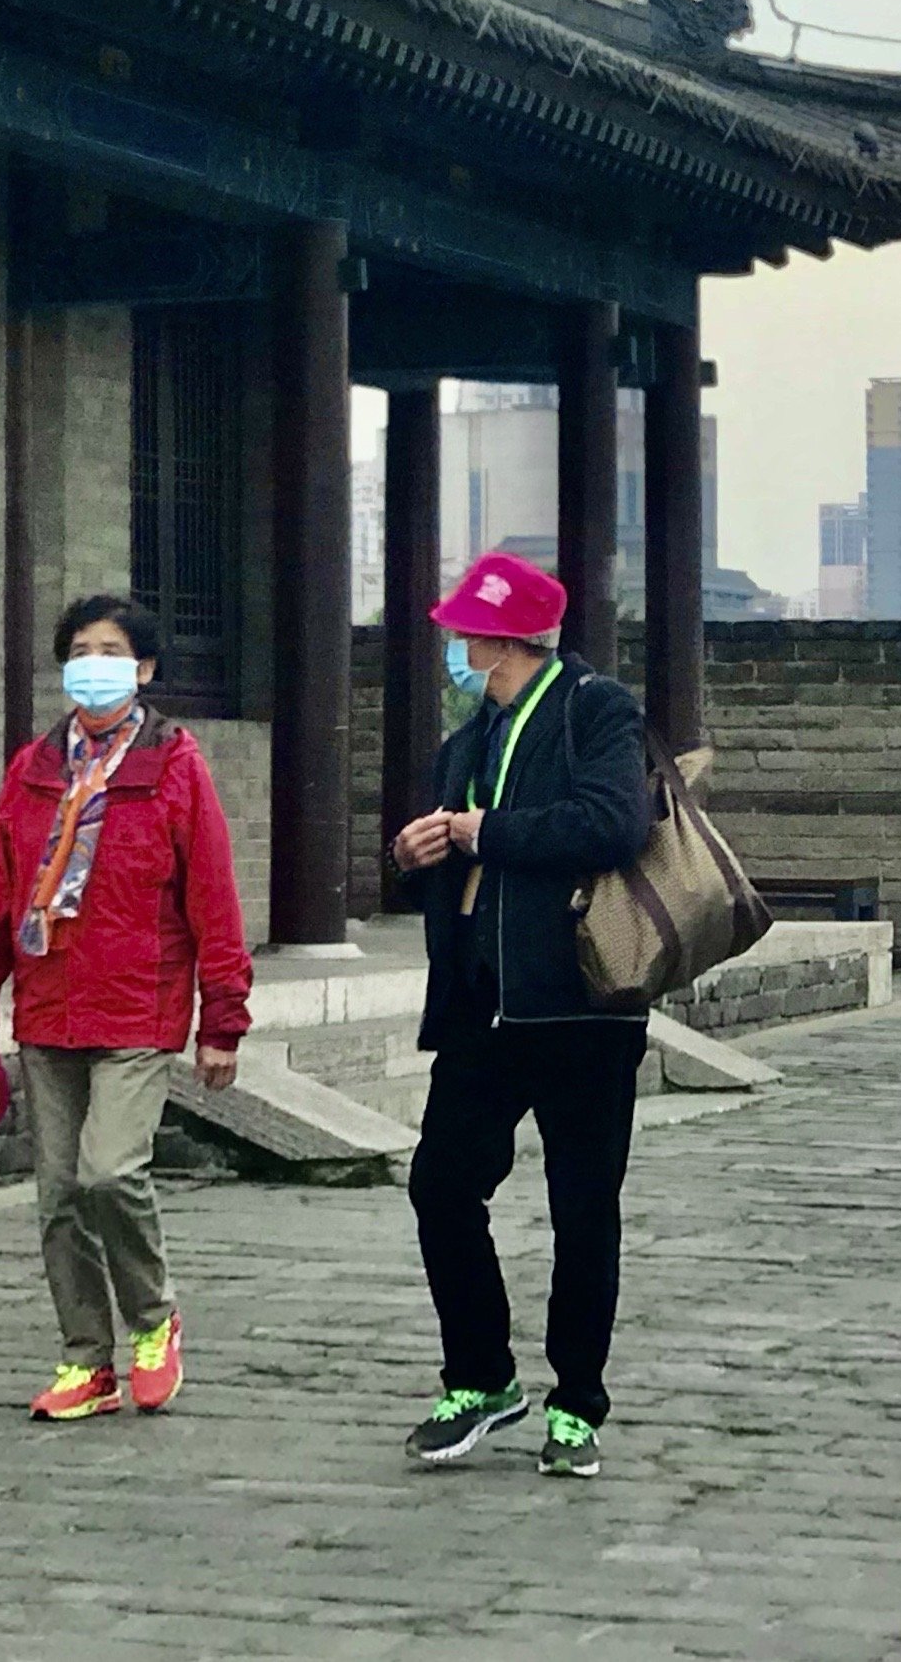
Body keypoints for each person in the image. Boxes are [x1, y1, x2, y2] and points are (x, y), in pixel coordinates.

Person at [0, 596, 249, 1421]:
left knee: (110, 1171)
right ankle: (86, 1357)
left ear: (144, 668)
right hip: (48, 1004)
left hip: (137, 1006)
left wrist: (222, 1018)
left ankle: (154, 1318)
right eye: (81, 648)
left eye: (113, 649)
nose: (95, 662)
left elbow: (213, 897)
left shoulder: (175, 765)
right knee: (58, 1198)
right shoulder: (34, 767)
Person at [392, 552, 654, 1479]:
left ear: (504, 639)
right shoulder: (472, 734)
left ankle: (577, 1401)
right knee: (440, 1184)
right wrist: (423, 842)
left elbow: (613, 823)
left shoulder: (596, 709)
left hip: (581, 1005)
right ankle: (480, 1374)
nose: (458, 645)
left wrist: (480, 831)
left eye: (469, 631)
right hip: (480, 1003)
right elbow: (455, 839)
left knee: (583, 1208)